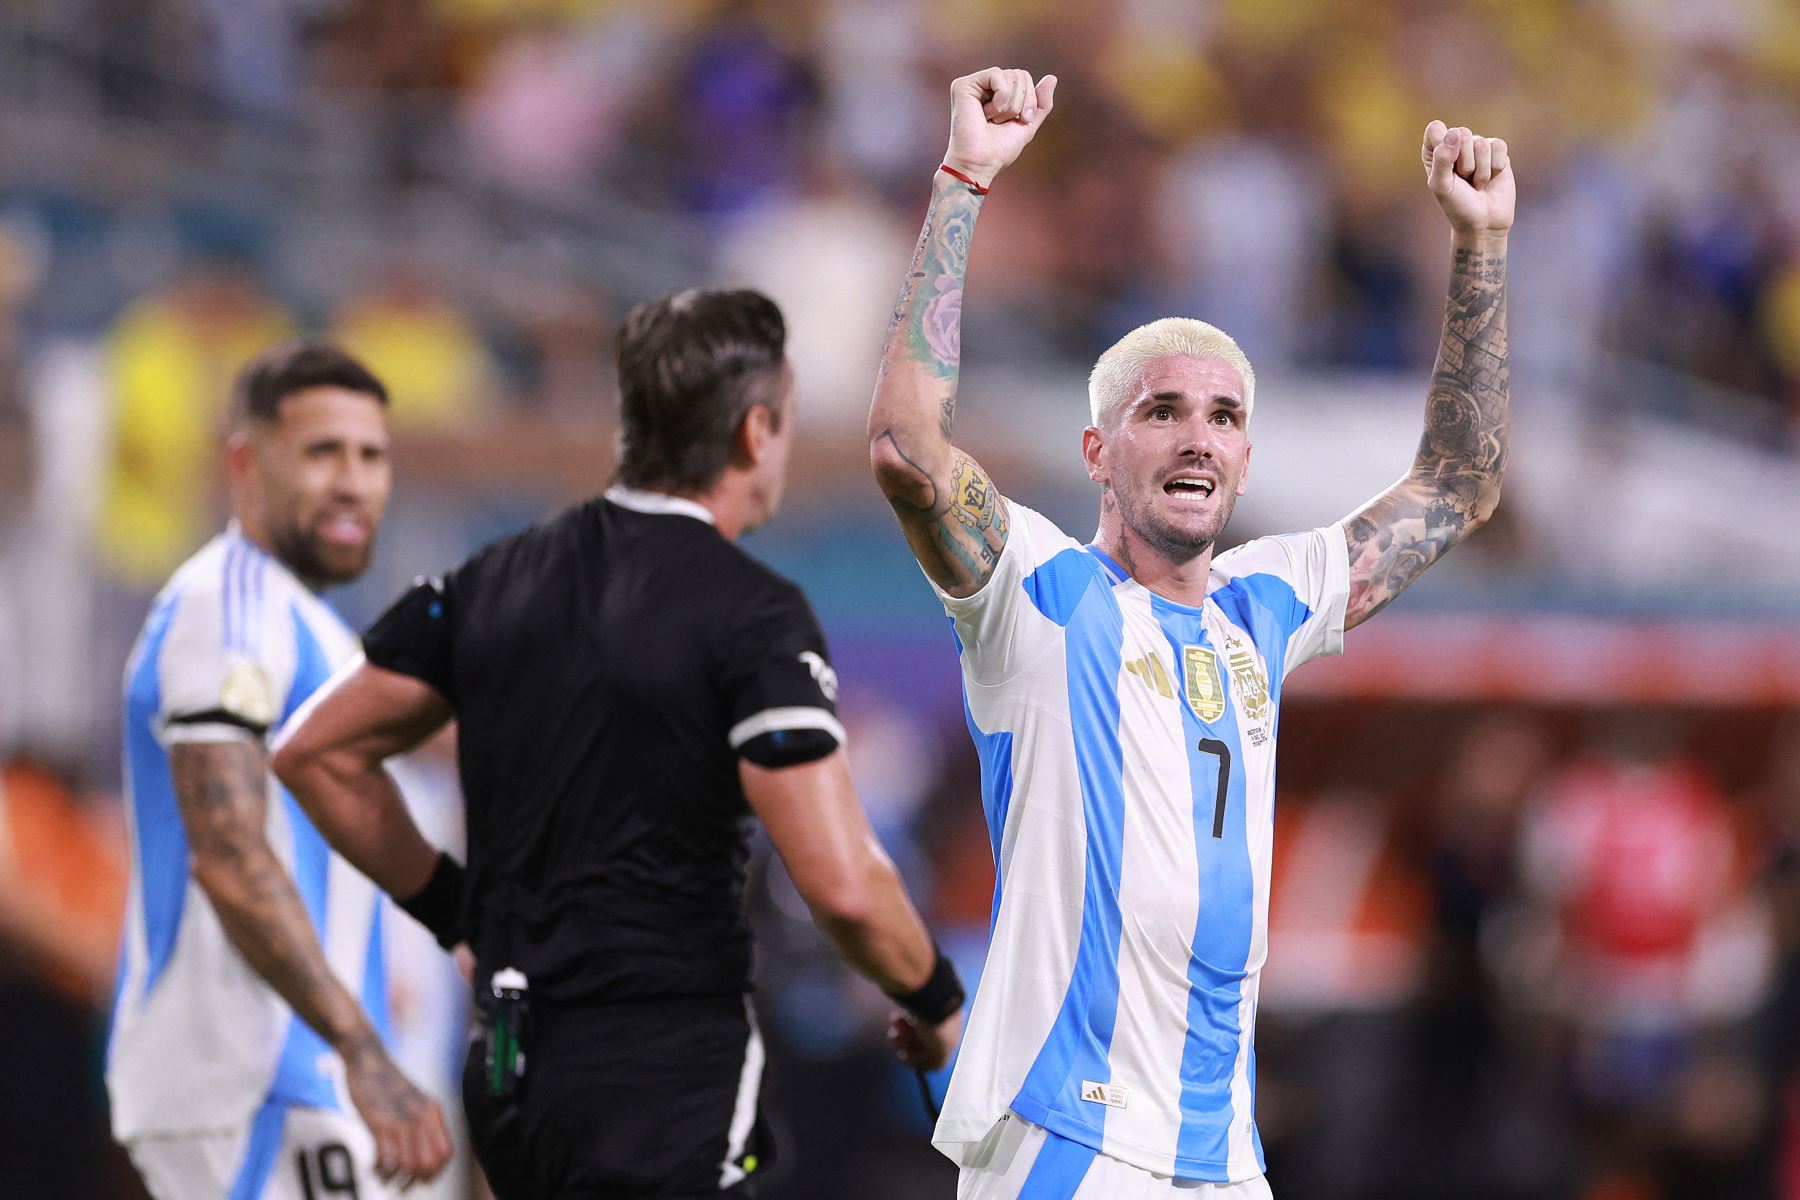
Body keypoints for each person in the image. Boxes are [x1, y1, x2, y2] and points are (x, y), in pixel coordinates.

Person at [866, 68, 1513, 1198]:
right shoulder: (1038, 596)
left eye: (1223, 417)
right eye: (1160, 411)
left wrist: (1480, 247)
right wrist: (966, 177)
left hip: (1219, 1156)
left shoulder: (1266, 605)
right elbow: (908, 451)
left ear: (1248, 460)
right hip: (1068, 1137)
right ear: (1096, 453)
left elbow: (1459, 486)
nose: (1197, 438)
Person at [272, 288, 966, 1199]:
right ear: (756, 431)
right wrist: (936, 1003)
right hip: (664, 1069)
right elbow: (842, 884)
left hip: (513, 1064)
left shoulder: (489, 579)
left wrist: (455, 911)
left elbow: (314, 752)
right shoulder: (751, 614)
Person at [107, 341, 453, 1198]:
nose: (353, 482)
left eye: (372, 456)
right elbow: (229, 853)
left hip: (301, 1069)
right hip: (250, 1071)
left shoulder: (313, 628)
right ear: (243, 463)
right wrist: (364, 1051)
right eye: (321, 452)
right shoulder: (227, 604)